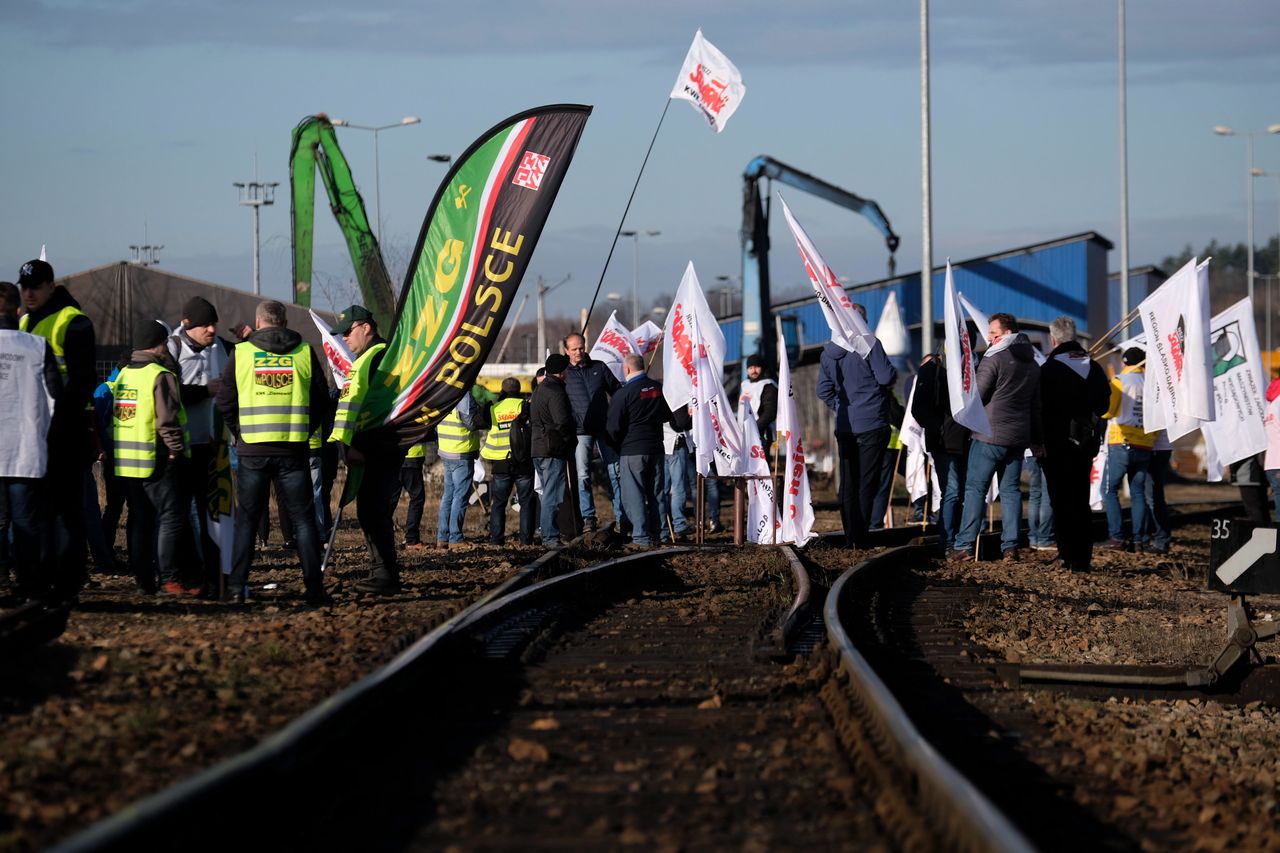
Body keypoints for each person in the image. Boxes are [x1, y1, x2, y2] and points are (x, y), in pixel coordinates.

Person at [216, 300, 331, 605]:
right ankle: (314, 589)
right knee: (304, 521)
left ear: (258, 321)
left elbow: (225, 401)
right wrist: (304, 431)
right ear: (284, 321)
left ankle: (237, 587)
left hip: (252, 449)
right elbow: (322, 400)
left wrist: (240, 432)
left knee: (247, 522)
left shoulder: (241, 353)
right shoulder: (304, 352)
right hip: (293, 449)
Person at [18, 258, 96, 602]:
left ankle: (67, 584)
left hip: (63, 433)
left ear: (52, 286)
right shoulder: (23, 322)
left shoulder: (73, 322)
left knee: (66, 513)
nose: (28, 292)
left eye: (35, 286)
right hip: (32, 434)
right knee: (40, 512)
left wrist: (56, 423)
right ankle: (43, 580)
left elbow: (81, 383)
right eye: (24, 286)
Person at [950, 313, 1042, 562]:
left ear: (1008, 333)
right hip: (1018, 438)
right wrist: (1036, 440)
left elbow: (976, 394)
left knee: (975, 489)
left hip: (989, 434)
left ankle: (965, 545)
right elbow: (1036, 405)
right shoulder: (1033, 364)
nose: (988, 338)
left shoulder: (995, 358)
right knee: (1010, 491)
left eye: (993, 333)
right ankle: (1010, 547)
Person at [328, 304, 407, 593]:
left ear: (366, 327)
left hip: (377, 446)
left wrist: (360, 442)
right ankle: (382, 573)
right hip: (365, 446)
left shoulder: (379, 356)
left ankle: (385, 576)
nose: (344, 339)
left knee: (373, 511)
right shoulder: (365, 358)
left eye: (348, 332)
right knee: (369, 511)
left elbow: (381, 405)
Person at [113, 320, 192, 595]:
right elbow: (167, 420)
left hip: (127, 461)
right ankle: (169, 578)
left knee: (140, 521)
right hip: (155, 458)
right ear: (159, 344)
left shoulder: (124, 374)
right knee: (171, 517)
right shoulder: (160, 374)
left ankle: (143, 581)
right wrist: (175, 450)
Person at [816, 303, 898, 549]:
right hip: (872, 422)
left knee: (848, 482)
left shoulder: (829, 353)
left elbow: (823, 391)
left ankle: (850, 535)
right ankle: (860, 539)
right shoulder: (870, 345)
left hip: (845, 425)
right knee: (867, 482)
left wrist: (843, 408)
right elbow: (886, 377)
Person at [167, 296, 231, 596]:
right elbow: (168, 395)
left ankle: (215, 577)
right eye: (206, 324)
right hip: (179, 448)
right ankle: (187, 575)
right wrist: (204, 391)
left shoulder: (219, 346)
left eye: (214, 323)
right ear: (188, 324)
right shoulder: (171, 348)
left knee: (212, 514)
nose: (212, 329)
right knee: (180, 513)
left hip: (209, 446)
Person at [0, 281, 60, 597]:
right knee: (26, 520)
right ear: (18, 310)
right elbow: (54, 394)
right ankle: (28, 582)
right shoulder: (37, 347)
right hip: (25, 449)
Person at [1038, 316, 1110, 572]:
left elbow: (1039, 408)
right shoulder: (1093, 366)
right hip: (1085, 444)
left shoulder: (1049, 369)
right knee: (1080, 499)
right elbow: (1104, 406)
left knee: (1060, 500)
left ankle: (1067, 554)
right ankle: (1082, 558)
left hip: (1055, 444)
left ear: (1053, 339)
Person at [606, 354, 672, 547]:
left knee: (633, 494)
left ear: (626, 370)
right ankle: (661, 534)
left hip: (632, 450)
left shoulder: (624, 393)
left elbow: (612, 427)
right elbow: (667, 414)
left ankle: (641, 537)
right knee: (657, 493)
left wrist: (616, 446)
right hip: (656, 448)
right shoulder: (658, 388)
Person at [912, 352, 971, 553]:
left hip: (963, 440)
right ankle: (948, 541)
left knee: (960, 492)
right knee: (952, 491)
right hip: (945, 441)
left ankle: (958, 539)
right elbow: (917, 409)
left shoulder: (967, 371)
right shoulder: (932, 374)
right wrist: (936, 427)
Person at [563, 333, 621, 532]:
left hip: (604, 428)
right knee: (583, 475)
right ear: (566, 351)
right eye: (574, 349)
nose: (579, 352)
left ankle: (621, 515)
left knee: (615, 472)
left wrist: (615, 416)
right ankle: (588, 517)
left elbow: (618, 391)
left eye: (581, 347)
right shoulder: (565, 374)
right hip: (580, 431)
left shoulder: (599, 367)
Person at [1101, 347, 1156, 551]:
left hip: (1120, 442)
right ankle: (1139, 539)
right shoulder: (1152, 385)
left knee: (1108, 489)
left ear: (1125, 362)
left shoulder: (1120, 381)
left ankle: (1116, 537)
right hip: (1145, 444)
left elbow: (1107, 412)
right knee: (1138, 492)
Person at [482, 377, 536, 545]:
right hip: (523, 461)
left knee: (498, 503)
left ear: (502, 390)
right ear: (519, 390)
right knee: (526, 502)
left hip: (500, 462)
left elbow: (481, 423)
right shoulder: (526, 405)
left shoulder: (494, 409)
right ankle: (526, 540)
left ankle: (496, 540)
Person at [531, 354, 576, 548]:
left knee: (547, 492)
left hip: (539, 447)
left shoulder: (540, 389)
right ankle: (550, 536)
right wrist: (570, 441)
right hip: (552, 449)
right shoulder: (556, 391)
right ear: (562, 371)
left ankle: (548, 532)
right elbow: (562, 422)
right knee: (553, 493)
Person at [433, 387, 485, 550]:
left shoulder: (440, 394)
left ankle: (442, 537)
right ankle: (455, 537)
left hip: (446, 450)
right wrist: (481, 415)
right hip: (461, 451)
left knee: (448, 495)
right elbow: (470, 423)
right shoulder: (463, 396)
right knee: (460, 497)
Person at [739, 354, 778, 449]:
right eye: (750, 368)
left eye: (756, 367)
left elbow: (770, 413)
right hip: (745, 434)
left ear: (762, 368)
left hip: (761, 434)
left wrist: (754, 428)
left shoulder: (768, 385)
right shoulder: (745, 385)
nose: (753, 371)